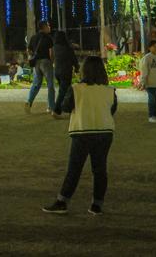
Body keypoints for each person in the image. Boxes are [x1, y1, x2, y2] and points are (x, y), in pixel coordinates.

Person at [42, 56, 118, 216]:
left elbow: (66, 107)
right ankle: (97, 205)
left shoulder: (76, 89)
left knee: (74, 169)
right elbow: (112, 110)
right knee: (100, 170)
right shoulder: (110, 90)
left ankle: (62, 202)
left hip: (82, 131)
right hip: (105, 132)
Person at [24, 22, 55, 113]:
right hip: (46, 61)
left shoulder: (34, 37)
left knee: (36, 84)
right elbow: (51, 52)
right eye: (48, 26)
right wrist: (52, 62)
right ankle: (51, 107)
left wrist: (31, 56)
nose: (49, 27)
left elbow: (28, 50)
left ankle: (29, 101)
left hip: (36, 63)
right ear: (44, 27)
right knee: (50, 85)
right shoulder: (48, 38)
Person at [138, 41, 156, 123]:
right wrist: (143, 81)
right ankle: (152, 116)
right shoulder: (147, 58)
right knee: (152, 100)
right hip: (150, 82)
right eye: (154, 46)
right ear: (149, 48)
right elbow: (144, 71)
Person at [51, 31, 79, 118]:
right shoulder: (67, 48)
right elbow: (73, 59)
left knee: (63, 91)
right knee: (63, 92)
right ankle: (56, 110)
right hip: (66, 72)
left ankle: (66, 109)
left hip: (57, 72)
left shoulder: (55, 47)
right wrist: (77, 68)